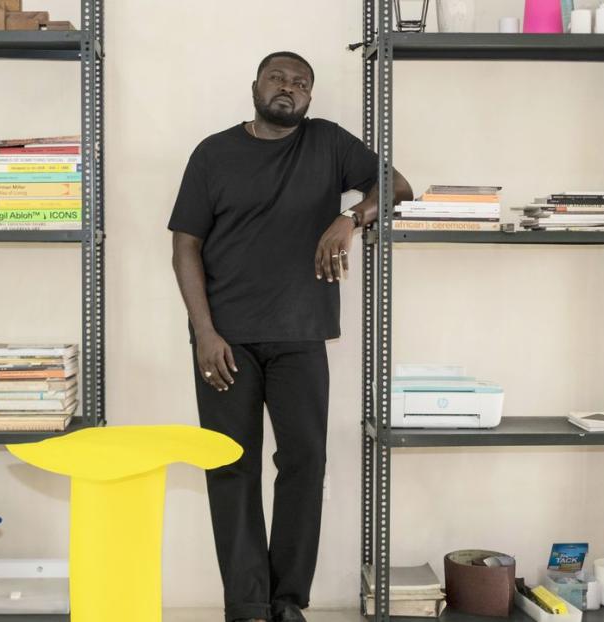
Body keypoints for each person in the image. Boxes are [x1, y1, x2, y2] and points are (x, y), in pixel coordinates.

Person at [168, 51, 412, 622]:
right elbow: (185, 247)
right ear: (254, 84)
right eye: (279, 77)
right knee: (231, 465)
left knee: (305, 462)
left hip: (302, 335)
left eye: (302, 83)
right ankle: (248, 604)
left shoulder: (328, 143)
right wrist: (204, 332)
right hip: (224, 340)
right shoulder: (213, 154)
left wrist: (353, 217)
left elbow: (396, 186)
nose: (290, 88)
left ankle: (287, 601)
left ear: (309, 98)